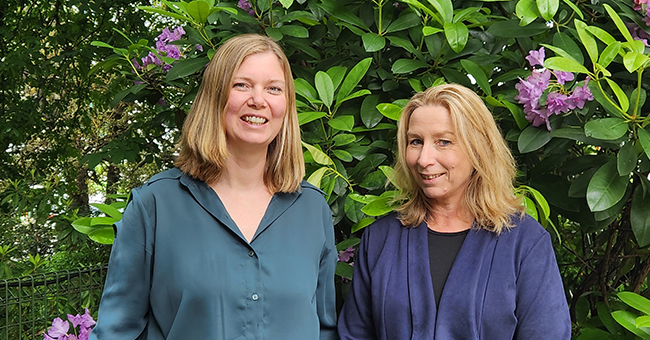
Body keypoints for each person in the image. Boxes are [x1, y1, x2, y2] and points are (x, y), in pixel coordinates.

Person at [89, 34, 338, 340]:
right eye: (241, 85)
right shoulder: (155, 205)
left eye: (273, 88)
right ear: (215, 96)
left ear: (286, 105)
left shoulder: (312, 210)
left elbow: (325, 327)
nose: (258, 100)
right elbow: (117, 331)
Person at [337, 84, 571, 339]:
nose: (424, 159)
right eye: (416, 141)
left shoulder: (524, 242)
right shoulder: (381, 239)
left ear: (478, 149)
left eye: (443, 142)